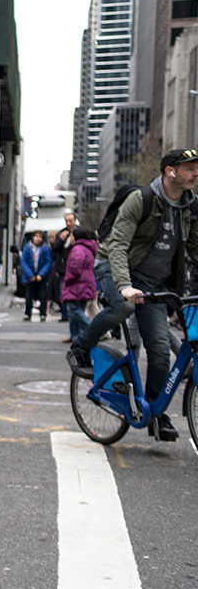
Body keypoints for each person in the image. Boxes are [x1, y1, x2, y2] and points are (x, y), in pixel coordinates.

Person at [67, 148, 198, 441]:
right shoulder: (141, 200)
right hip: (114, 267)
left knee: (161, 352)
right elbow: (117, 244)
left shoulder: (192, 207)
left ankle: (155, 410)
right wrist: (124, 285)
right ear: (170, 171)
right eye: (190, 167)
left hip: (153, 283)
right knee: (124, 308)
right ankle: (81, 346)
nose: (196, 172)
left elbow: (196, 250)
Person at [61, 225, 97, 345]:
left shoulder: (78, 249)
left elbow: (75, 269)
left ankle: (92, 331)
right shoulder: (86, 247)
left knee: (73, 309)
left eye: (71, 235)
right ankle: (75, 336)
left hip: (78, 284)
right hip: (85, 283)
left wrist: (67, 279)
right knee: (78, 308)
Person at [20, 231, 52, 321]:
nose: (38, 239)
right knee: (29, 296)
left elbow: (48, 262)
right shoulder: (27, 248)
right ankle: (27, 313)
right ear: (32, 237)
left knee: (43, 296)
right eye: (36, 236)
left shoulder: (45, 249)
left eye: (40, 237)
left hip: (41, 276)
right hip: (30, 276)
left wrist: (41, 274)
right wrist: (30, 274)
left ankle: (42, 314)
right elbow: (24, 262)